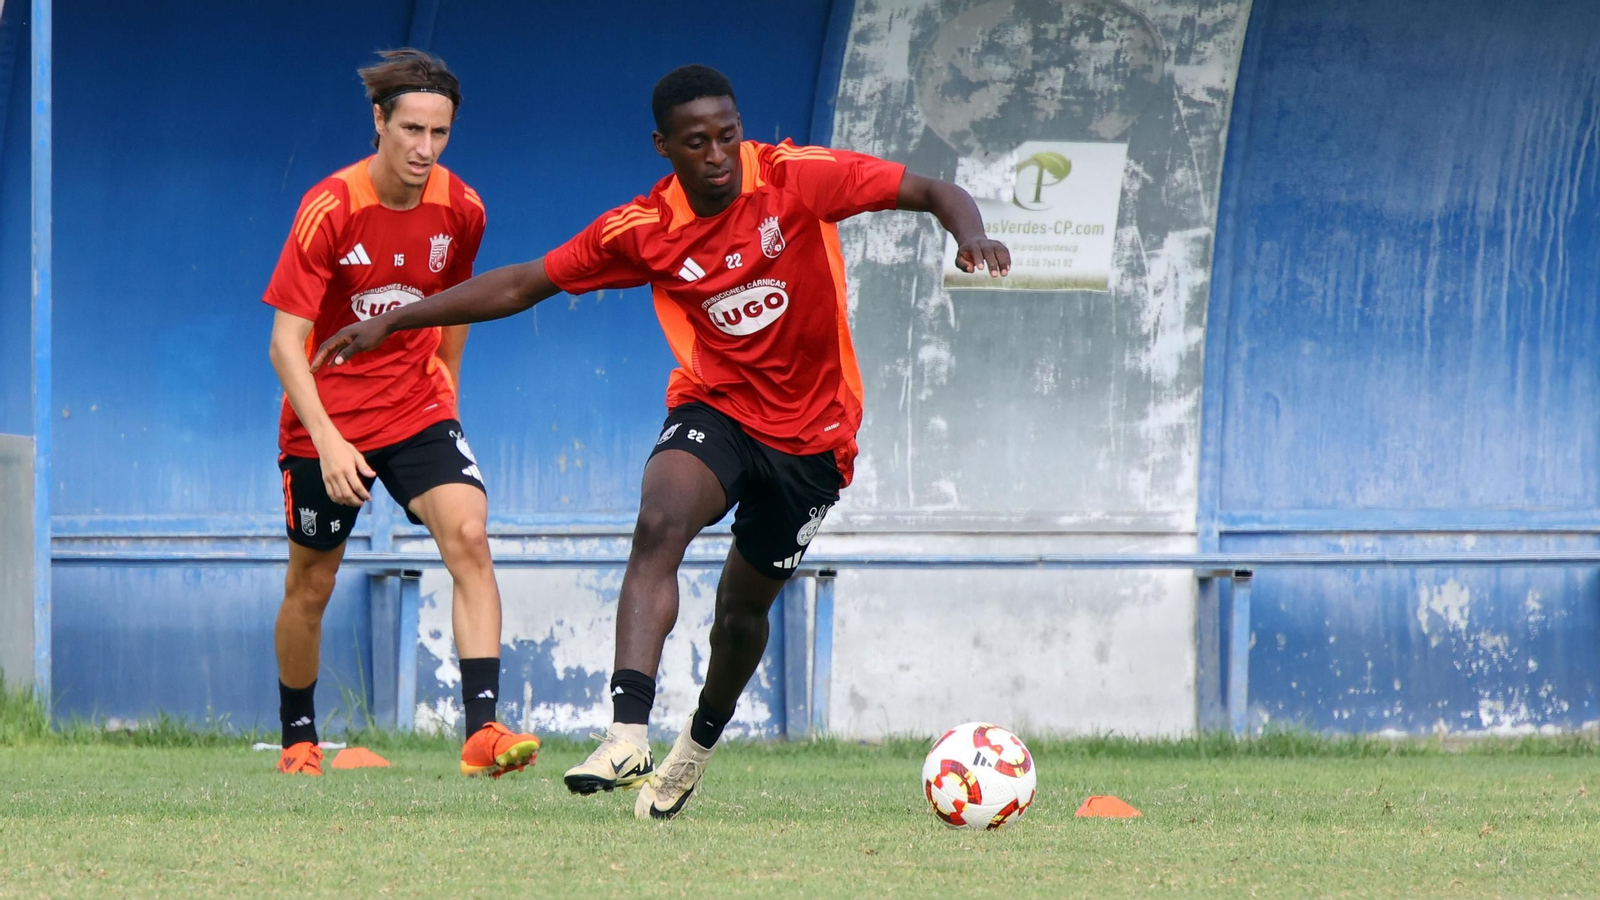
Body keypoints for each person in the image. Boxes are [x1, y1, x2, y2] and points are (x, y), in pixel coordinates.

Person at [312, 64, 1009, 814]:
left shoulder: (794, 178)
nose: (716, 155)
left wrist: (971, 235)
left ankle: (694, 749)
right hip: (718, 407)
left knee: (742, 614)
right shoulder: (644, 229)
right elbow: (524, 282)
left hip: (815, 437)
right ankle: (627, 733)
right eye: (696, 142)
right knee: (659, 522)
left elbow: (932, 190)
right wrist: (394, 319)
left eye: (727, 136)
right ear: (663, 147)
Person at [263, 49, 539, 778]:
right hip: (325, 420)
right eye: (411, 129)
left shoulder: (463, 209)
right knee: (312, 583)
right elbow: (285, 345)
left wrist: (446, 383)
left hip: (414, 408)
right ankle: (298, 742)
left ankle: (482, 735)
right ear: (379, 121)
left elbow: (457, 305)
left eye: (439, 133)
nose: (424, 149)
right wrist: (325, 440)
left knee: (470, 535)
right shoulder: (331, 207)